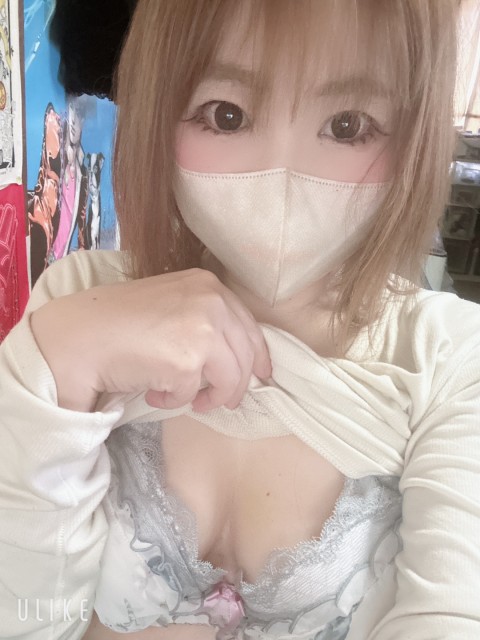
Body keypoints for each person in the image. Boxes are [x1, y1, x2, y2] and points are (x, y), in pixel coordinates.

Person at [1, 1, 480, 639]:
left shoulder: (451, 360)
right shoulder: (78, 299)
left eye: (347, 125)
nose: (284, 176)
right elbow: (19, 612)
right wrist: (61, 356)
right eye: (226, 114)